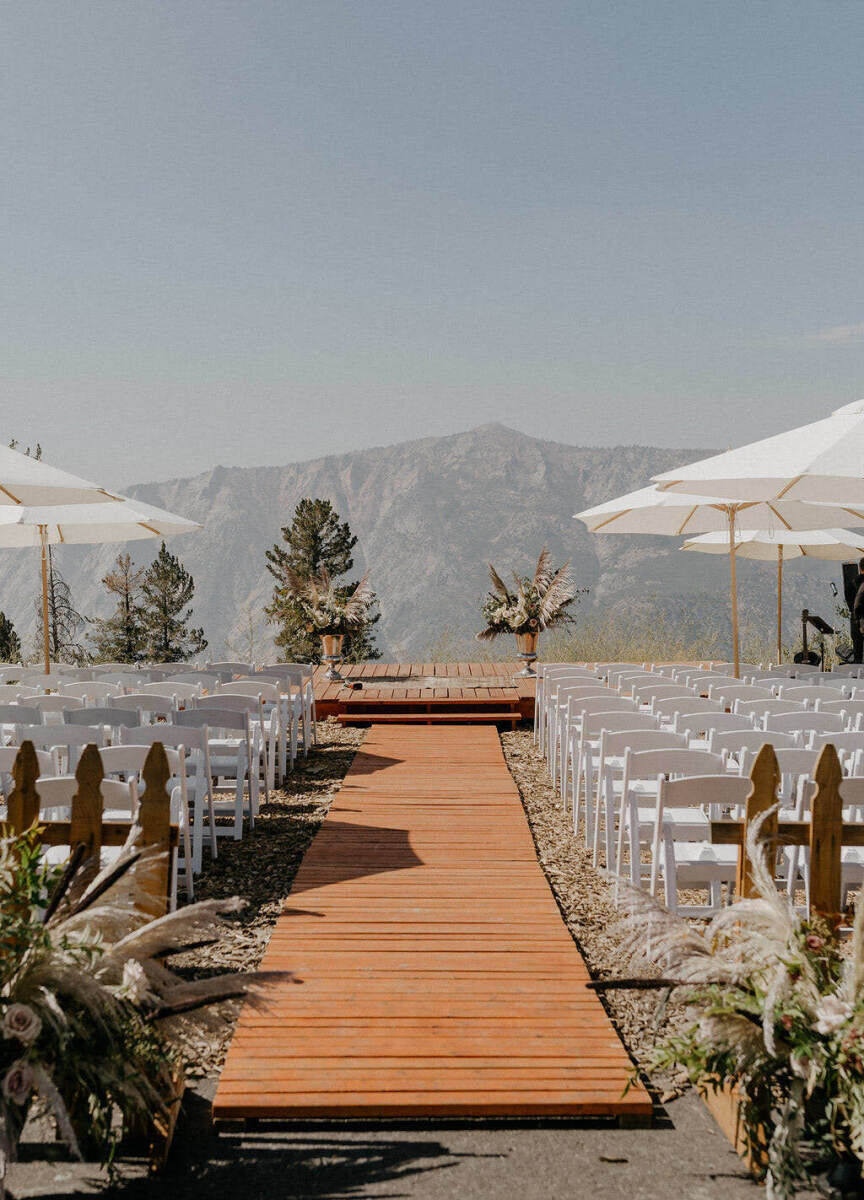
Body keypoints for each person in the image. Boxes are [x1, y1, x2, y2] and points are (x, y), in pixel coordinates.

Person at [852, 557, 864, 664]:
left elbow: (854, 604)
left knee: (858, 650)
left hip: (856, 621)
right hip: (861, 621)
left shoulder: (853, 582)